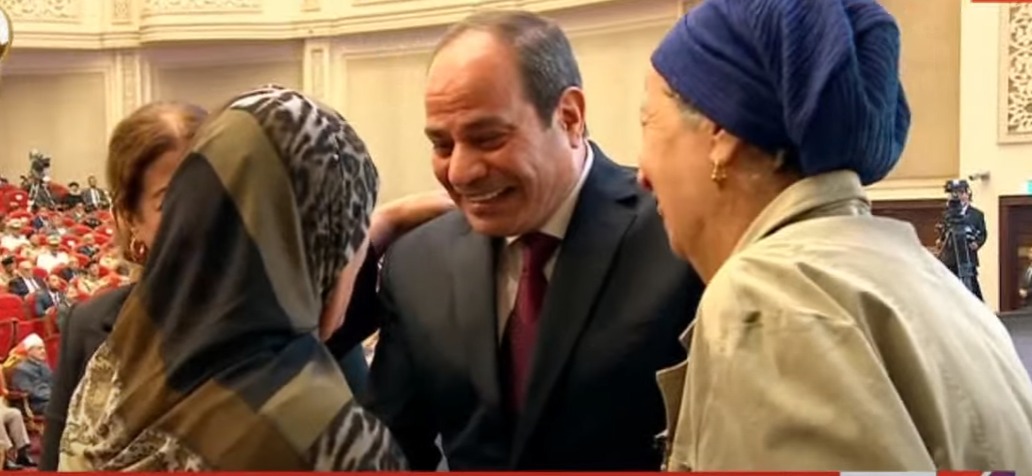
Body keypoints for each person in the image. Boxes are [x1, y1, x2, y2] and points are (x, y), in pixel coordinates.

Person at [638, 0, 1032, 470]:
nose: (641, 173)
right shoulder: (928, 281)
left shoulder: (770, 298)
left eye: (648, 123)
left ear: (720, 133)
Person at [339, 10, 703, 471]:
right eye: (442, 145)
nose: (460, 172)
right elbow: (393, 449)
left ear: (569, 117)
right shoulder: (416, 263)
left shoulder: (678, 232)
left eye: (487, 138)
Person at [40, 100, 454, 470]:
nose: (210, 219)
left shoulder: (115, 365)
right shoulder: (327, 437)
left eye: (230, 196)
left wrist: (379, 224)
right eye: (178, 201)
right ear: (129, 217)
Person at [936, 180, 987, 300]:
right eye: (955, 193)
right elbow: (944, 233)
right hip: (951, 257)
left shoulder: (977, 214)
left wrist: (977, 243)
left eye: (961, 192)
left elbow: (983, 233)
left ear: (967, 194)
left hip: (968, 256)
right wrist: (941, 241)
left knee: (972, 289)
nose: (959, 196)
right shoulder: (947, 215)